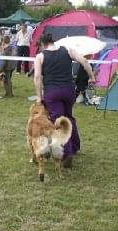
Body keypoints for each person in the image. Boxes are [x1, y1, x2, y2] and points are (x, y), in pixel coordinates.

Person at [34, 33, 96, 168]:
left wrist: (39, 96)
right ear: (53, 41)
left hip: (52, 93)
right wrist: (91, 76)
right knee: (69, 118)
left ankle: (67, 154)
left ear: (43, 44)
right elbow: (84, 61)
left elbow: (38, 77)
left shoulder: (40, 56)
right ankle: (75, 145)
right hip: (68, 90)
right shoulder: (67, 50)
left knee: (59, 122)